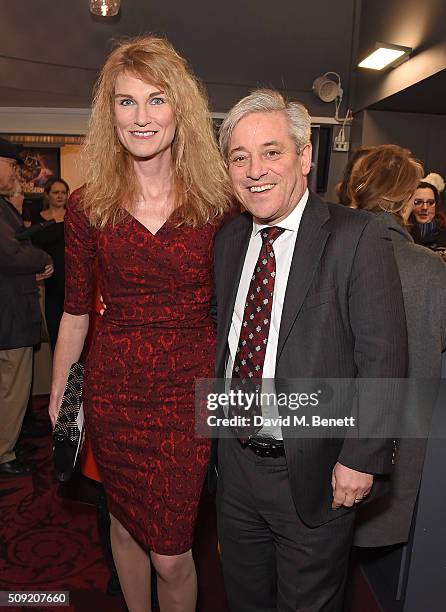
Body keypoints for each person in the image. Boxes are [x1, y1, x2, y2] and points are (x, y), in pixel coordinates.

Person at [48, 36, 231, 612]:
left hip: (187, 392)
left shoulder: (217, 201)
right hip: (114, 389)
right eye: (126, 103)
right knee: (124, 526)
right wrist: (60, 393)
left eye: (156, 100)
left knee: (172, 552)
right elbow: (76, 310)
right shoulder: (89, 205)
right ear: (110, 115)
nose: (141, 117)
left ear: (181, 109)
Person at [213, 90, 407, 612]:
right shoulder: (229, 239)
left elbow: (385, 358)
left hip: (316, 471)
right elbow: (226, 345)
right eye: (239, 156)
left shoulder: (357, 236)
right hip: (234, 467)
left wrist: (362, 458)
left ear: (304, 157)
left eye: (271, 152)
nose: (255, 170)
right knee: (244, 598)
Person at [347, 145, 446, 548]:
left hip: (330, 426)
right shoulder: (426, 267)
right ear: (406, 200)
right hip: (399, 436)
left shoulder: (329, 249)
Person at [0, 137, 53, 476]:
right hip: (9, 312)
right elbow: (11, 253)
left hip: (12, 309)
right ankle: (4, 453)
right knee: (11, 386)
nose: (14, 174)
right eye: (11, 166)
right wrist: (44, 258)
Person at [32, 177, 70, 349]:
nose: (60, 196)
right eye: (56, 192)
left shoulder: (73, 217)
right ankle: (57, 375)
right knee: (53, 332)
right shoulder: (37, 219)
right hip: (47, 284)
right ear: (47, 195)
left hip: (71, 281)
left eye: (63, 192)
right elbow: (31, 249)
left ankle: (75, 377)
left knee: (73, 336)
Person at [409, 179, 446, 254]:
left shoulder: (443, 228)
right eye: (418, 202)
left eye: (430, 202)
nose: (425, 207)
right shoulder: (400, 231)